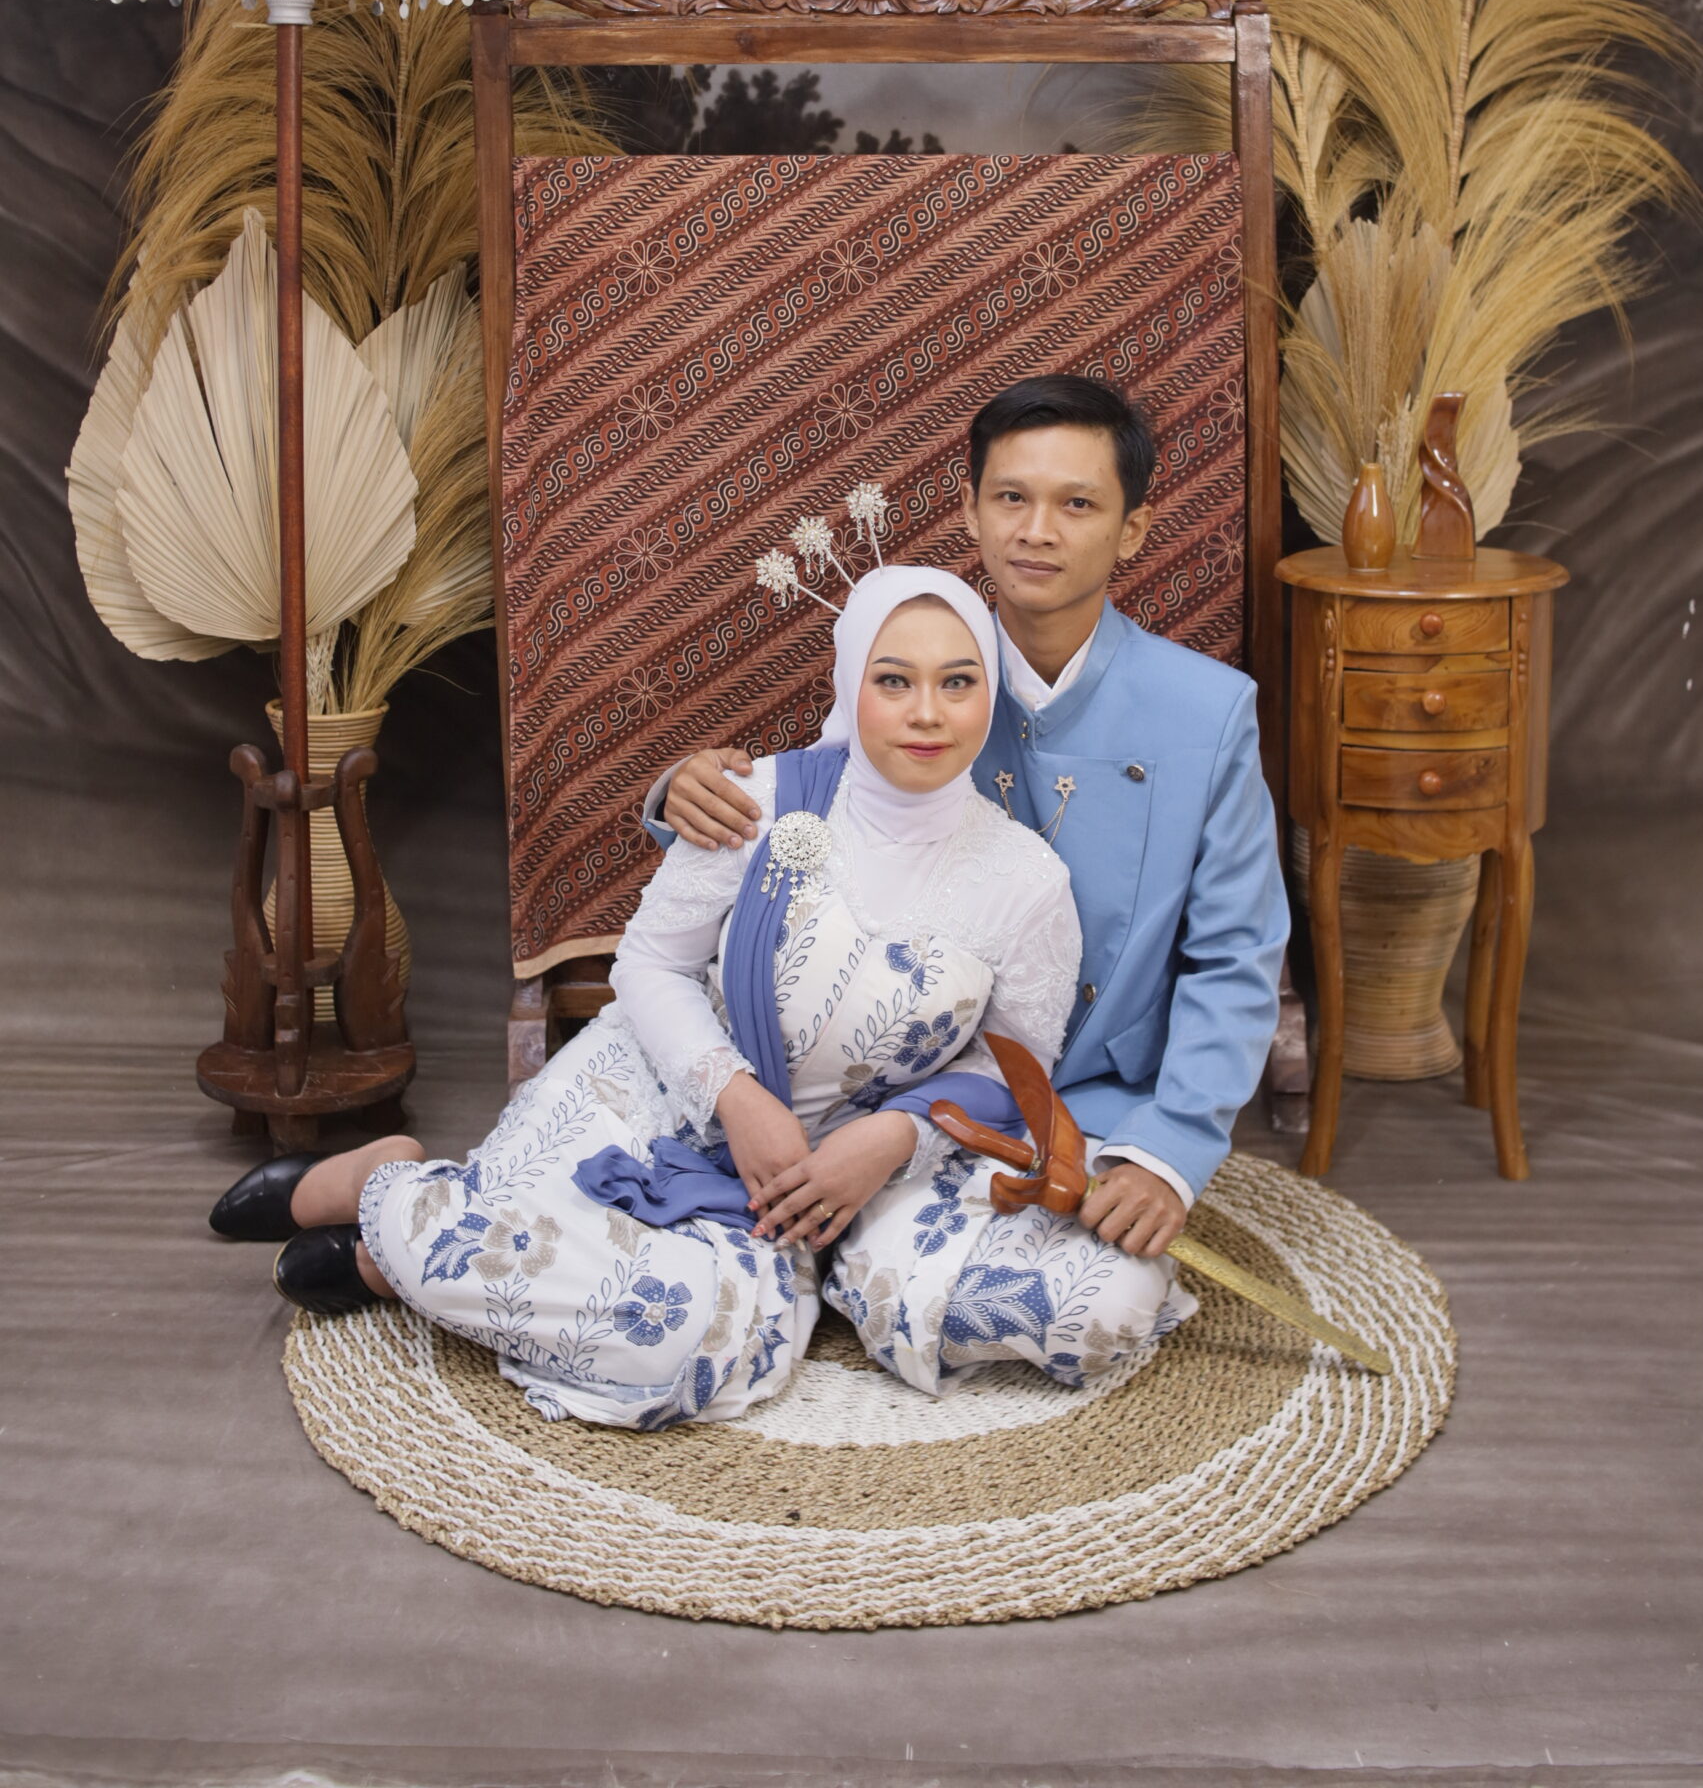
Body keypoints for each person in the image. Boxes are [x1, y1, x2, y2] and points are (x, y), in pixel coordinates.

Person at [211, 566, 1191, 1426]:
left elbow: (1014, 1065)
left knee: (1103, 1301)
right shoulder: (758, 801)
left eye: (957, 681)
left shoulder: (1025, 880)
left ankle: (839, 1272)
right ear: (850, 682)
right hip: (667, 1094)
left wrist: (889, 1140)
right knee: (679, 1343)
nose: (926, 712)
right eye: (893, 680)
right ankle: (391, 1195)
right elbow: (648, 967)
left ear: (991, 692)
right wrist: (735, 1096)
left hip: (882, 1162)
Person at [653, 375, 1289, 1259]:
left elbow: (1235, 954)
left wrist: (1169, 1148)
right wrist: (684, 794)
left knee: (1077, 1303)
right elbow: (812, 803)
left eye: (1076, 504)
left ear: (1133, 529)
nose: (1036, 530)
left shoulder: (1207, 710)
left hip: (1096, 1107)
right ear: (969, 510)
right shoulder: (922, 659)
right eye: (1010, 498)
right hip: (901, 1093)